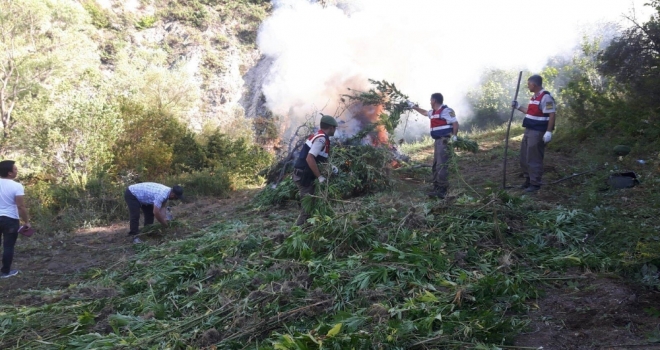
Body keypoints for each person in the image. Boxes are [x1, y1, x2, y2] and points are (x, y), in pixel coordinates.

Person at [408, 93, 459, 198]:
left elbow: (455, 123)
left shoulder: (446, 111)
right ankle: (436, 187)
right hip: (437, 141)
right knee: (436, 165)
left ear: (434, 101)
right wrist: (412, 106)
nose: (430, 102)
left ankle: (442, 189)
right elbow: (424, 112)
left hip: (444, 141)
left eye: (431, 100)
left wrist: (454, 136)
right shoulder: (434, 112)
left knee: (441, 165)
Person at [511, 75, 556, 193]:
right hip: (529, 129)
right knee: (524, 156)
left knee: (534, 157)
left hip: (538, 132)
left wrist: (549, 132)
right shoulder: (534, 97)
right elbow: (530, 112)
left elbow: (552, 114)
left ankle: (535, 184)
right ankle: (528, 180)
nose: (528, 86)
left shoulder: (546, 97)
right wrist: (518, 107)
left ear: (534, 85)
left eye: (529, 84)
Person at [292, 114, 338, 226]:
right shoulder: (321, 139)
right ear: (331, 127)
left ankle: (306, 229)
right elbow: (310, 158)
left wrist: (330, 166)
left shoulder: (319, 135)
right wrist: (320, 177)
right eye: (334, 128)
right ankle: (297, 234)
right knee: (307, 209)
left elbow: (318, 158)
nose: (335, 130)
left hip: (304, 175)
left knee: (311, 205)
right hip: (304, 177)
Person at [0, 160, 30, 279]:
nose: (17, 171)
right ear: (9, 173)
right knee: (8, 246)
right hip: (10, 219)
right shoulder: (17, 186)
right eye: (15, 169)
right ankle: (5, 272)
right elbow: (21, 206)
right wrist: (26, 221)